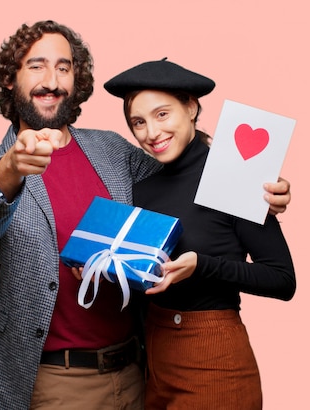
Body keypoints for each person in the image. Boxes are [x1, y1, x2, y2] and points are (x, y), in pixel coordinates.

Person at [0, 20, 292, 409]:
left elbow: (178, 164)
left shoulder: (113, 150)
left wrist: (256, 181)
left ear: (76, 80)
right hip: (54, 379)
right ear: (10, 79)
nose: (52, 80)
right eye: (36, 66)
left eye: (63, 67)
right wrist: (11, 168)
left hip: (139, 369)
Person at [103, 59, 296, 409]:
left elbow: (283, 280)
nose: (151, 133)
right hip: (153, 359)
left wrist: (202, 265)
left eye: (162, 115)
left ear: (191, 107)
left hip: (214, 358)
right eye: (138, 122)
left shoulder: (235, 175)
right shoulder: (141, 186)